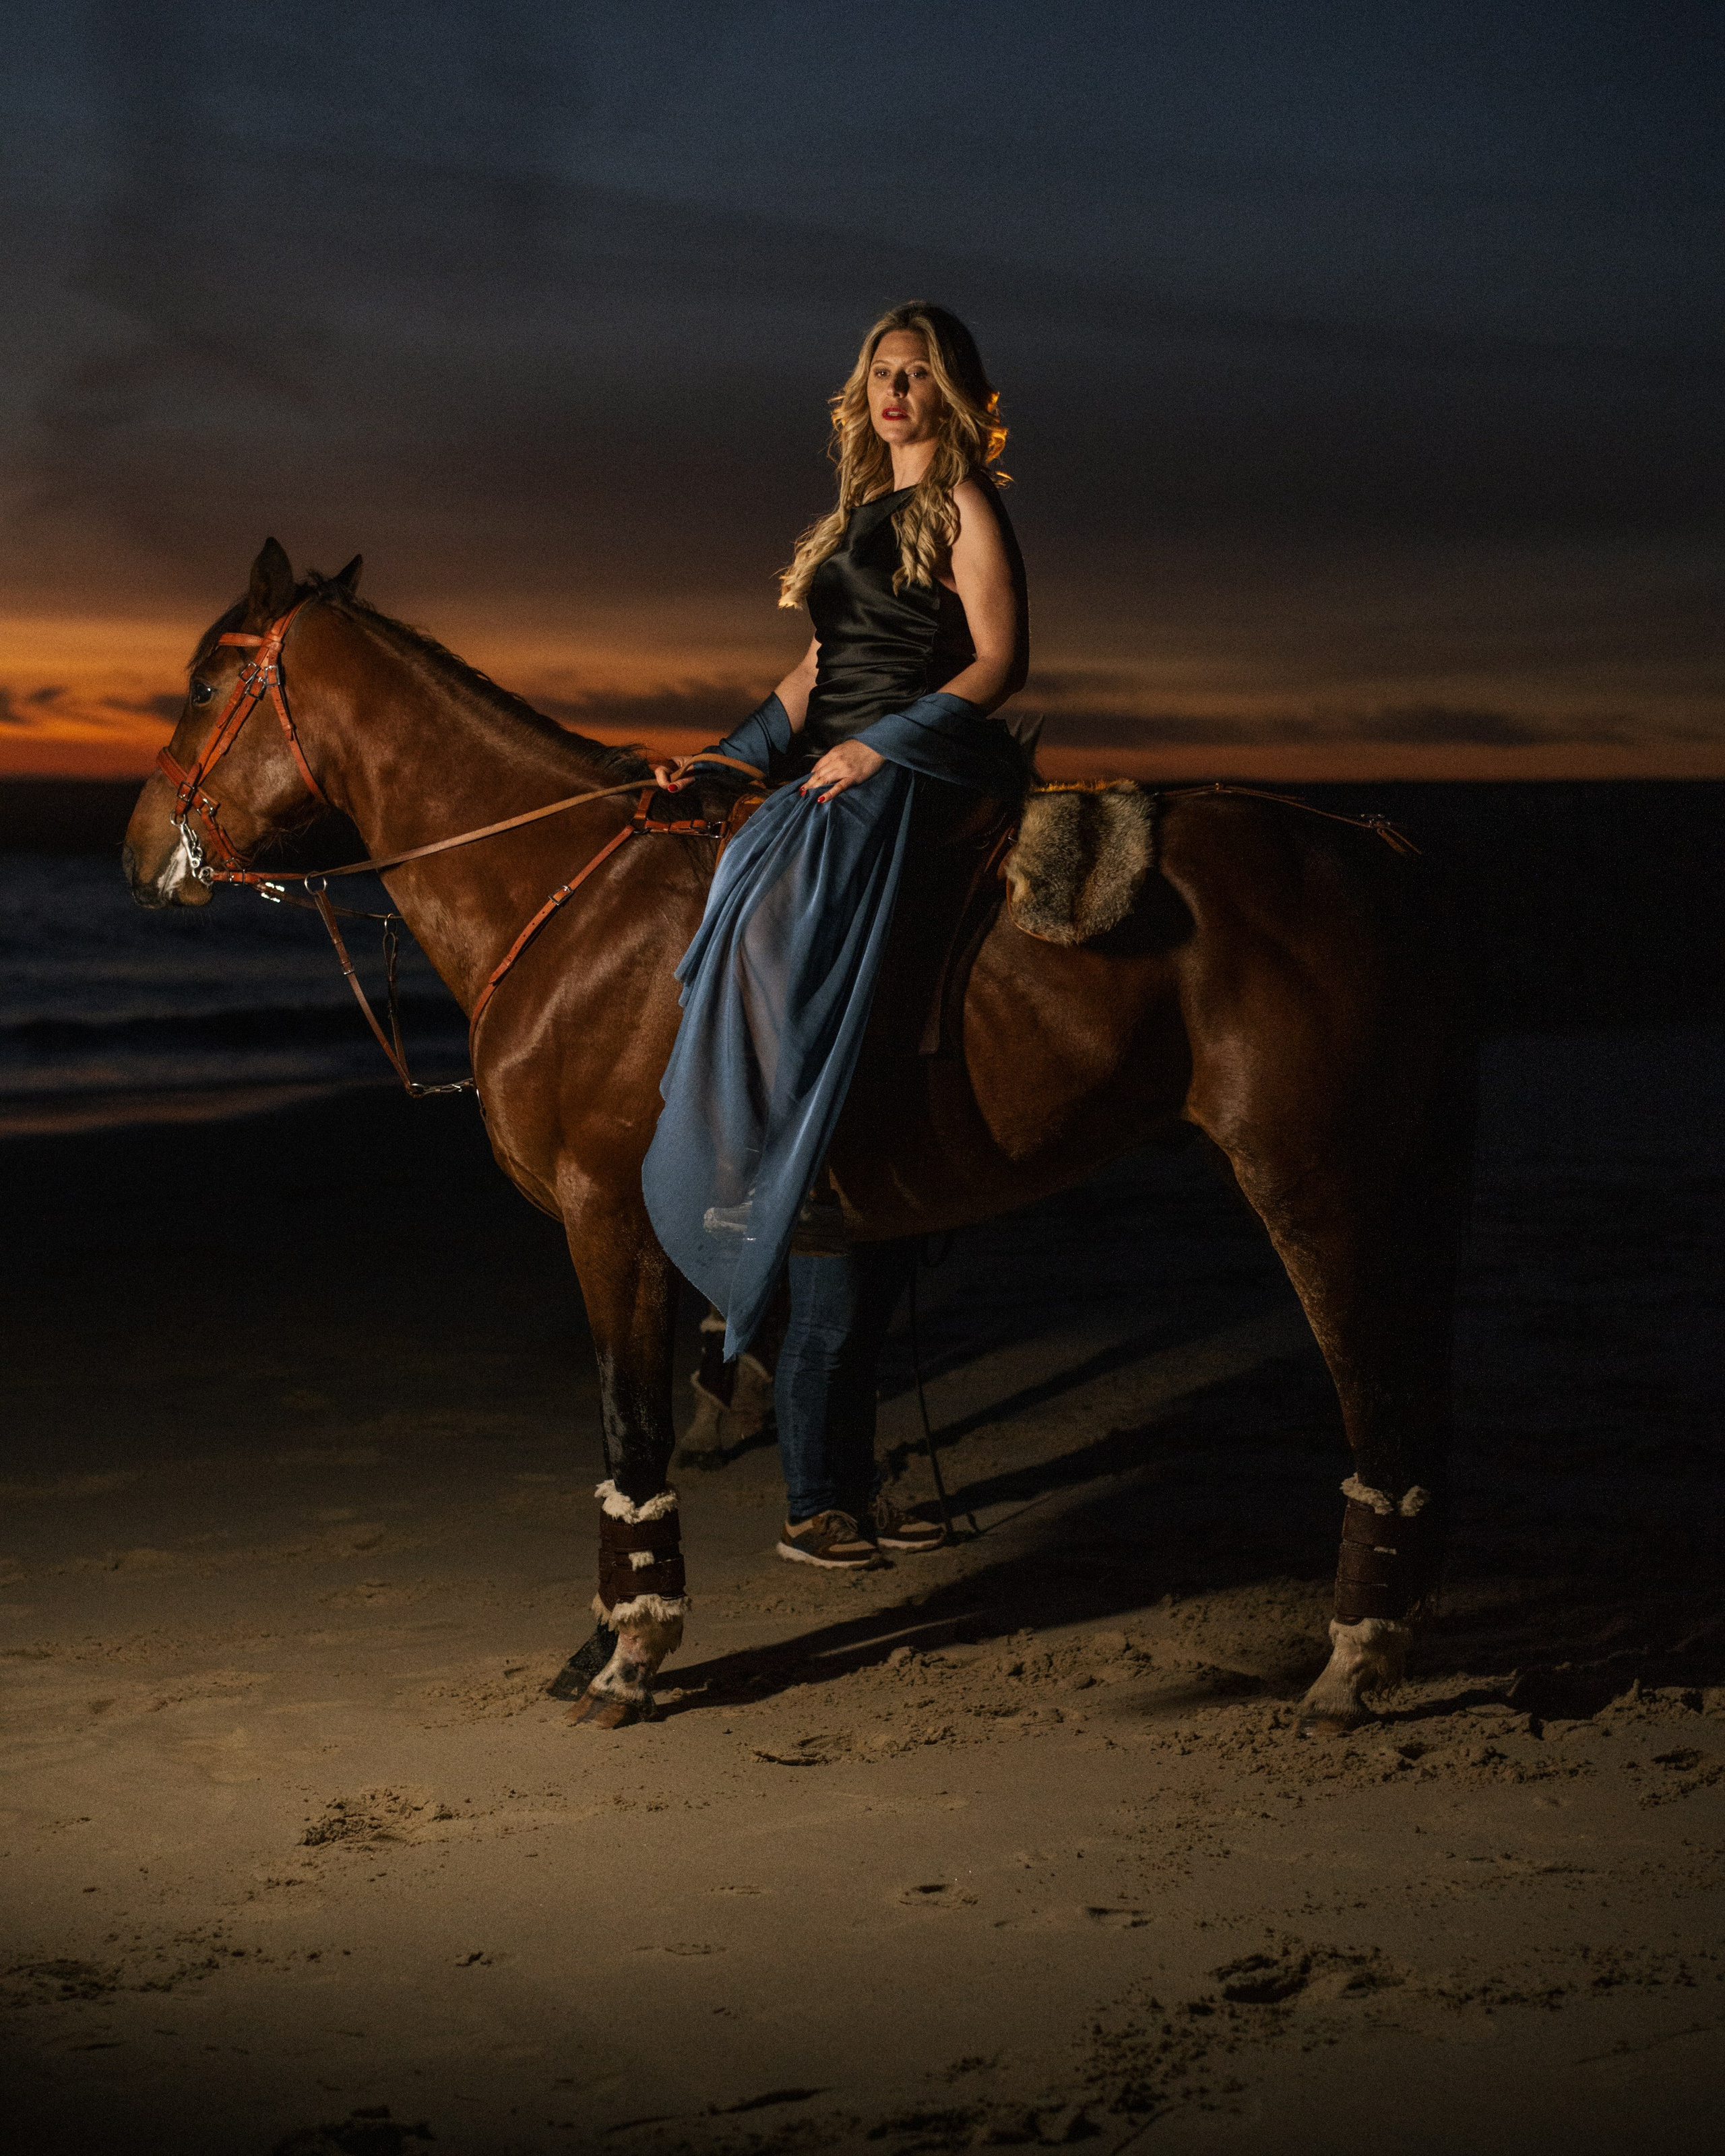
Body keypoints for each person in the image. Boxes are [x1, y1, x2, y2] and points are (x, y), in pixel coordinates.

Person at [643, 301, 1029, 1571]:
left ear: (954, 393)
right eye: (880, 374)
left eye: (918, 375)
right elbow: (811, 677)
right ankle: (753, 1163)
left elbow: (999, 661)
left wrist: (885, 744)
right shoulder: (852, 527)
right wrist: (720, 758)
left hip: (906, 762)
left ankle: (779, 1159)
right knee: (731, 892)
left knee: (788, 910)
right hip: (825, 765)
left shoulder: (966, 506)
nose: (897, 391)